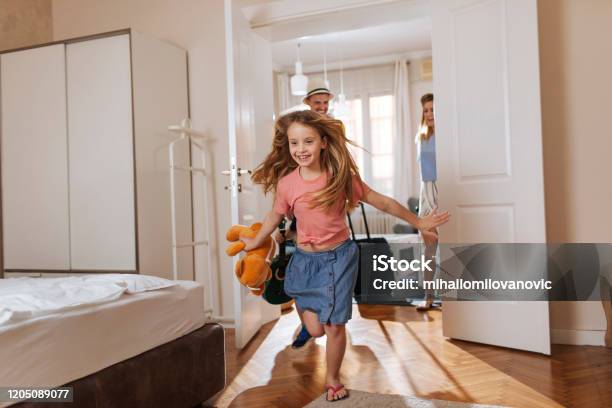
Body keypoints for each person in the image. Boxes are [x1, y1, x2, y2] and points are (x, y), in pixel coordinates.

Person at [241, 110, 449, 401]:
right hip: (304, 260)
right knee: (315, 330)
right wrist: (256, 241)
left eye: (308, 141)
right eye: (294, 143)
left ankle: (332, 379)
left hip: (339, 258)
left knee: (334, 325)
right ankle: (307, 315)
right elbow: (274, 216)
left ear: (324, 142)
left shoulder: (340, 177)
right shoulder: (288, 184)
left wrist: (419, 222)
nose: (300, 149)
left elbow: (382, 201)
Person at [281, 77, 334, 349]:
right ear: (307, 104)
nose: (323, 107)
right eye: (318, 103)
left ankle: (317, 318)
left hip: (327, 188)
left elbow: (341, 155)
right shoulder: (297, 128)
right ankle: (306, 319)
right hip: (302, 190)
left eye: (326, 103)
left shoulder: (332, 129)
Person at [413, 93, 438, 311]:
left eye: (432, 109)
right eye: (426, 110)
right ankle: (428, 296)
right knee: (428, 250)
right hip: (426, 193)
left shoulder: (450, 133)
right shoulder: (421, 136)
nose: (429, 114)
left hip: (445, 191)